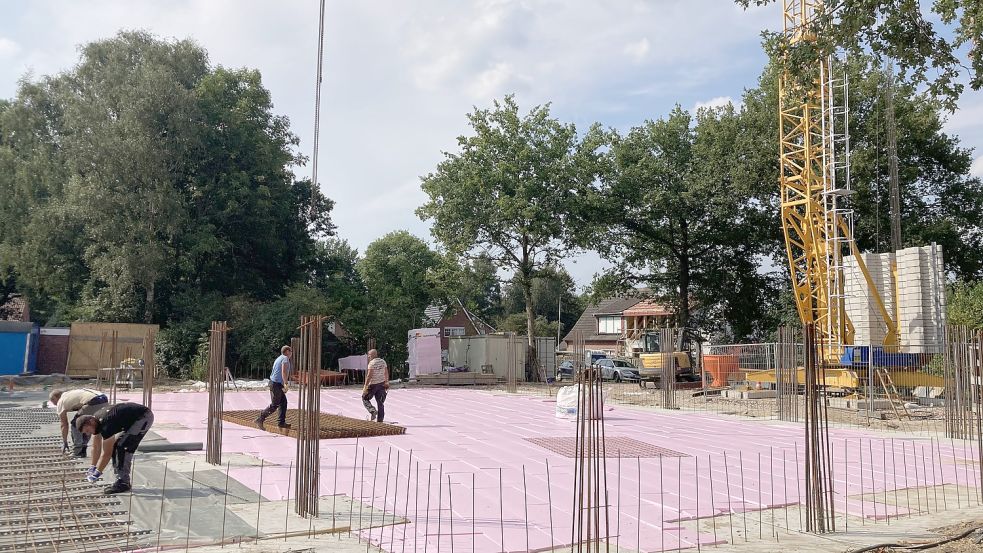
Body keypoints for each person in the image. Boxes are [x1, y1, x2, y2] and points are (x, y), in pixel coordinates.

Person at [76, 402, 154, 494]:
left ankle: (123, 483)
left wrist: (97, 473)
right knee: (117, 446)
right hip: (133, 418)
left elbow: (106, 454)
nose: (89, 434)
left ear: (91, 422)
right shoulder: (96, 420)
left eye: (88, 430)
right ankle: (121, 479)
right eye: (86, 432)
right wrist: (92, 466)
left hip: (143, 417)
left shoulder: (106, 424)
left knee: (123, 447)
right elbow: (96, 447)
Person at [49, 388, 109, 457]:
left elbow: (64, 424)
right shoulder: (69, 394)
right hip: (104, 398)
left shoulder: (60, 401)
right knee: (87, 423)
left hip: (93, 401)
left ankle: (77, 451)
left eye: (52, 401)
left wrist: (65, 441)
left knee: (76, 424)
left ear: (55, 398)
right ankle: (82, 450)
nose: (54, 404)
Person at [256, 345, 292, 429]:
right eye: (290, 351)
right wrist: (286, 383)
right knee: (275, 404)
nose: (291, 353)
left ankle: (281, 423)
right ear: (287, 351)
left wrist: (282, 384)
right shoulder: (285, 358)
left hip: (275, 383)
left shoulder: (279, 358)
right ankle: (260, 418)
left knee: (283, 402)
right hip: (276, 384)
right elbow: (283, 371)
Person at [362, 349, 390, 422]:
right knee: (380, 402)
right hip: (381, 384)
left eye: (369, 355)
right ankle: (380, 420)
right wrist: (387, 382)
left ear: (373, 355)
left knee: (364, 398)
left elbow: (369, 376)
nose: (368, 356)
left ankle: (372, 411)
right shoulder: (383, 361)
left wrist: (365, 386)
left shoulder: (372, 363)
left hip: (373, 385)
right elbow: (386, 372)